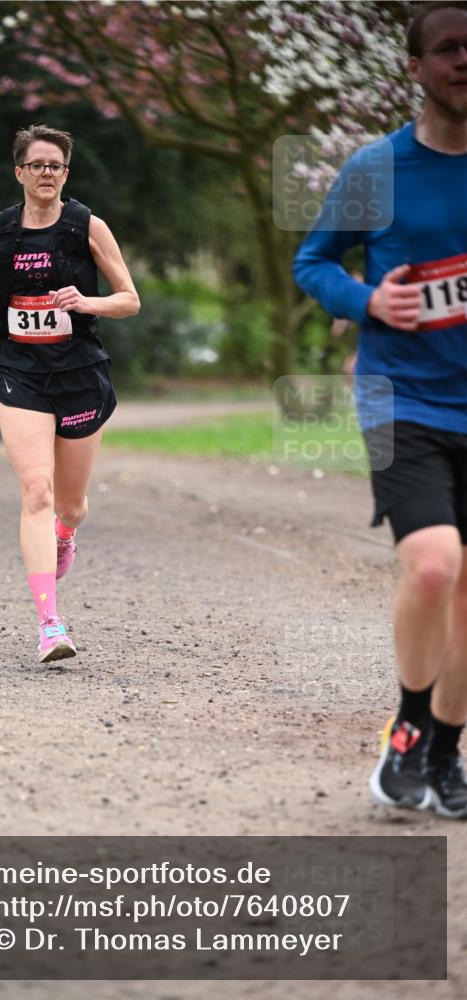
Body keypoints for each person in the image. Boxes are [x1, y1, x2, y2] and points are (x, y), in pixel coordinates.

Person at [293, 1, 467, 818]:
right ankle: (406, 729)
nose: (463, 60)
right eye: (447, 49)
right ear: (415, 67)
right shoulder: (376, 169)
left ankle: (444, 752)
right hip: (403, 399)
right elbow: (312, 261)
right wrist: (369, 302)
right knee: (433, 565)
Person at [0, 124, 139, 662]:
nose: (47, 173)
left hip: (78, 372)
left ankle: (64, 534)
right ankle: (50, 625)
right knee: (36, 490)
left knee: (71, 506)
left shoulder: (87, 226)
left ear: (66, 174)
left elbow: (129, 299)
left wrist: (87, 303)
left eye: (56, 166)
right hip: (17, 370)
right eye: (37, 165)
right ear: (20, 173)